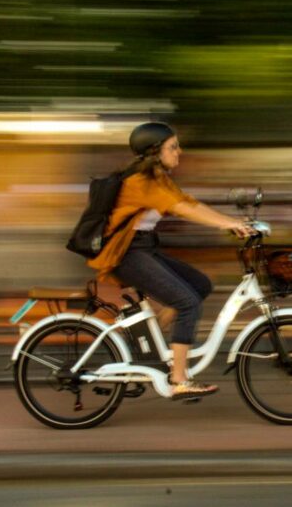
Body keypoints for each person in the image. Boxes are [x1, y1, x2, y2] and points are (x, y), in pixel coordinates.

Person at [87, 122, 254, 400]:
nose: (180, 151)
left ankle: (147, 347)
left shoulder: (158, 177)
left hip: (143, 249)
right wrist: (228, 224)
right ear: (155, 151)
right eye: (173, 147)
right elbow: (182, 209)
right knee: (187, 302)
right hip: (126, 254)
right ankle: (178, 379)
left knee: (199, 285)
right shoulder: (142, 182)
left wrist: (234, 222)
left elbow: (189, 202)